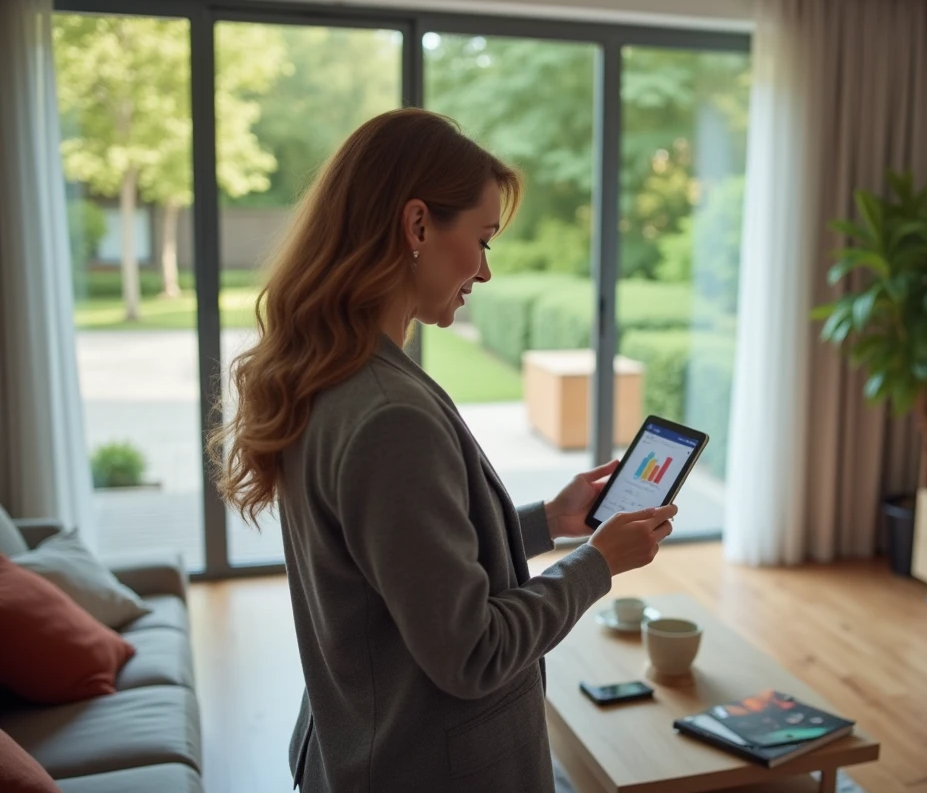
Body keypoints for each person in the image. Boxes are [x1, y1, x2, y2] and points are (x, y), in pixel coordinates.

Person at [210, 108, 676, 793]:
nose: (485, 271)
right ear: (419, 225)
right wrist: (596, 565)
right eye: (483, 240)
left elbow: (401, 568)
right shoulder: (388, 414)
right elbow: (472, 651)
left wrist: (548, 521)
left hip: (361, 746)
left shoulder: (331, 374)